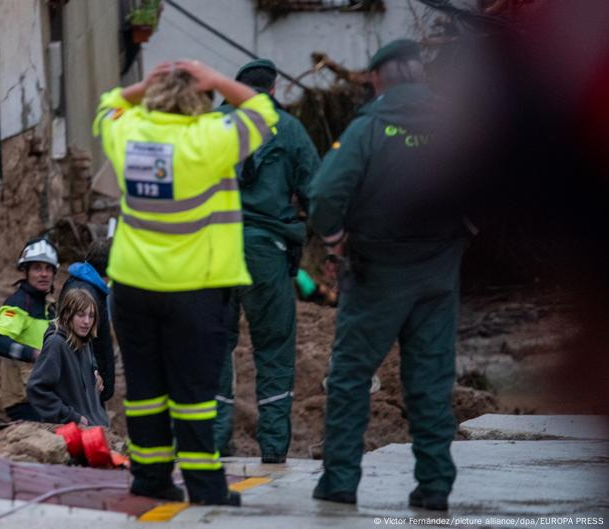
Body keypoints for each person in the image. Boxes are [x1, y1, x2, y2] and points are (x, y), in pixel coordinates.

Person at [94, 59, 278, 506]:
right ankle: (205, 487)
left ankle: (151, 479)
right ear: (200, 101)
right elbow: (263, 111)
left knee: (144, 391)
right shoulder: (211, 138)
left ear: (154, 97)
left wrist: (145, 82)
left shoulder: (129, 133)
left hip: (133, 288)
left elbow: (107, 107)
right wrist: (215, 79)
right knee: (194, 393)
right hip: (195, 290)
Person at [308, 39, 469, 511]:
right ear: (419, 75)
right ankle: (435, 485)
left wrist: (336, 238)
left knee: (352, 376)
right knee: (432, 380)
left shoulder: (369, 127)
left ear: (379, 78)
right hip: (439, 271)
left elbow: (323, 195)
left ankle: (339, 481)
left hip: (376, 271)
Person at [213, 59, 321, 464]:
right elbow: (318, 191)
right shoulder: (289, 128)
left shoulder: (213, 124)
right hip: (267, 253)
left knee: (214, 344)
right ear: (273, 90)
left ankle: (216, 439)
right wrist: (332, 242)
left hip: (215, 250)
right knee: (273, 347)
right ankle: (274, 448)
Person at [0, 237, 59, 421]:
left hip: (47, 397)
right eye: (37, 268)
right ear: (25, 272)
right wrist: (33, 354)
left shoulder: (50, 307)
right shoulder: (18, 303)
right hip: (24, 401)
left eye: (48, 268)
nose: (44, 274)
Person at [27, 288, 110, 427]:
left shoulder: (85, 340)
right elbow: (36, 389)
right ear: (67, 314)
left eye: (91, 315)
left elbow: (89, 364)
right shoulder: (56, 344)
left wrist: (95, 372)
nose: (87, 321)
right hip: (72, 432)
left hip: (97, 427)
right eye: (81, 314)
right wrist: (72, 417)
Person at [58, 238, 114, 404]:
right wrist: (94, 374)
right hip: (85, 390)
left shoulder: (89, 287)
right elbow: (79, 341)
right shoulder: (86, 294)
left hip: (89, 385)